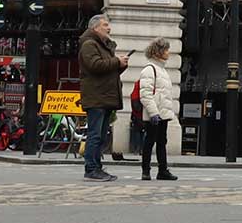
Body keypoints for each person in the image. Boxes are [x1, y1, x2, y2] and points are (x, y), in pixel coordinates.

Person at [76, 14, 127, 182]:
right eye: (105, 25)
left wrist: (120, 66)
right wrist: (116, 61)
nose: (109, 28)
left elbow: (105, 72)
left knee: (101, 136)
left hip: (104, 96)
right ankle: (90, 169)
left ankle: (97, 167)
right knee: (95, 135)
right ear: (95, 28)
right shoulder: (89, 44)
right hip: (97, 97)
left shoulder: (101, 46)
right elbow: (95, 66)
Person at [134, 40, 178, 181]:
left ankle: (162, 170)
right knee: (150, 141)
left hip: (162, 113)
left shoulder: (162, 70)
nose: (168, 52)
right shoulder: (149, 69)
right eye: (166, 50)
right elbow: (145, 94)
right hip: (154, 113)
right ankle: (146, 171)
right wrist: (153, 113)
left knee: (161, 141)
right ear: (158, 52)